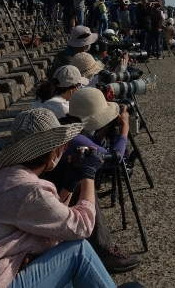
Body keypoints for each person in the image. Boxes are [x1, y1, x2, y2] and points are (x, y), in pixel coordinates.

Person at [0, 108, 140, 288]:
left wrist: (70, 183)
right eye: (61, 146)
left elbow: (56, 221)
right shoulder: (27, 189)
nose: (63, 150)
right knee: (78, 251)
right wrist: (89, 174)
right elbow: (82, 227)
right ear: (53, 151)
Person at [49, 88, 141, 273]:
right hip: (61, 191)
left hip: (56, 185)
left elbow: (90, 145)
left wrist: (105, 129)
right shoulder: (76, 140)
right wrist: (124, 130)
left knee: (82, 177)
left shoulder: (66, 126)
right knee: (85, 185)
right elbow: (112, 158)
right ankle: (104, 250)